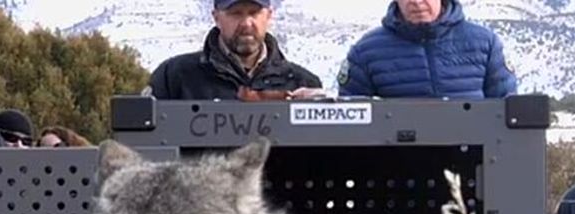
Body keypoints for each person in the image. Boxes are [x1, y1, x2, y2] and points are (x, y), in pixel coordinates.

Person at [336, 0, 517, 99]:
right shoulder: (366, 52)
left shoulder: (485, 44)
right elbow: (350, 121)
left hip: (476, 161)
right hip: (396, 163)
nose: (416, 2)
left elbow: (507, 111)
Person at [147, 0, 323, 101]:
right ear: (216, 17)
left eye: (254, 13)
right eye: (235, 13)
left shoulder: (303, 83)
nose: (246, 23)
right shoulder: (173, 77)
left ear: (269, 16)